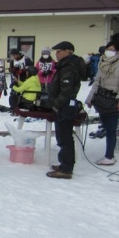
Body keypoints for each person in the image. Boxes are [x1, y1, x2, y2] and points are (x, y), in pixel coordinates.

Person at [46, 41, 87, 179]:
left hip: (64, 106)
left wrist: (56, 105)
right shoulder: (65, 65)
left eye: (59, 51)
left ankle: (66, 169)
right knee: (62, 137)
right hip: (63, 105)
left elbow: (66, 91)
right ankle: (64, 163)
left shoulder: (69, 67)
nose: (56, 54)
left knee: (65, 138)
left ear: (68, 51)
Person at [85, 40, 119, 165]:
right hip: (101, 99)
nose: (109, 52)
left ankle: (109, 156)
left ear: (118, 52)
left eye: (112, 50)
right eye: (108, 49)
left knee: (111, 129)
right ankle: (109, 154)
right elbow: (96, 82)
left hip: (114, 100)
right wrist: (90, 98)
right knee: (105, 126)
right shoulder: (102, 63)